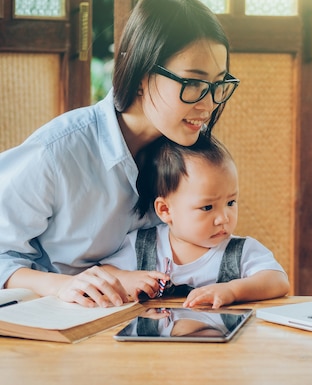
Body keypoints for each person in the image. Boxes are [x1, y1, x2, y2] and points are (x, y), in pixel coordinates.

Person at [0, 0, 239, 308]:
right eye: (192, 83)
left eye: (217, 85)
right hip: (60, 325)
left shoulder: (191, 152)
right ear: (142, 75)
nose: (208, 104)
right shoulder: (58, 151)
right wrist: (63, 285)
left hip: (157, 321)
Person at [100, 132, 290, 308]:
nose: (224, 218)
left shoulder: (240, 251)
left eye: (231, 202)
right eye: (207, 207)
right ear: (165, 210)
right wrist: (127, 278)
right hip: (156, 341)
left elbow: (278, 281)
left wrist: (232, 290)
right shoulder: (143, 245)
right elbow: (104, 272)